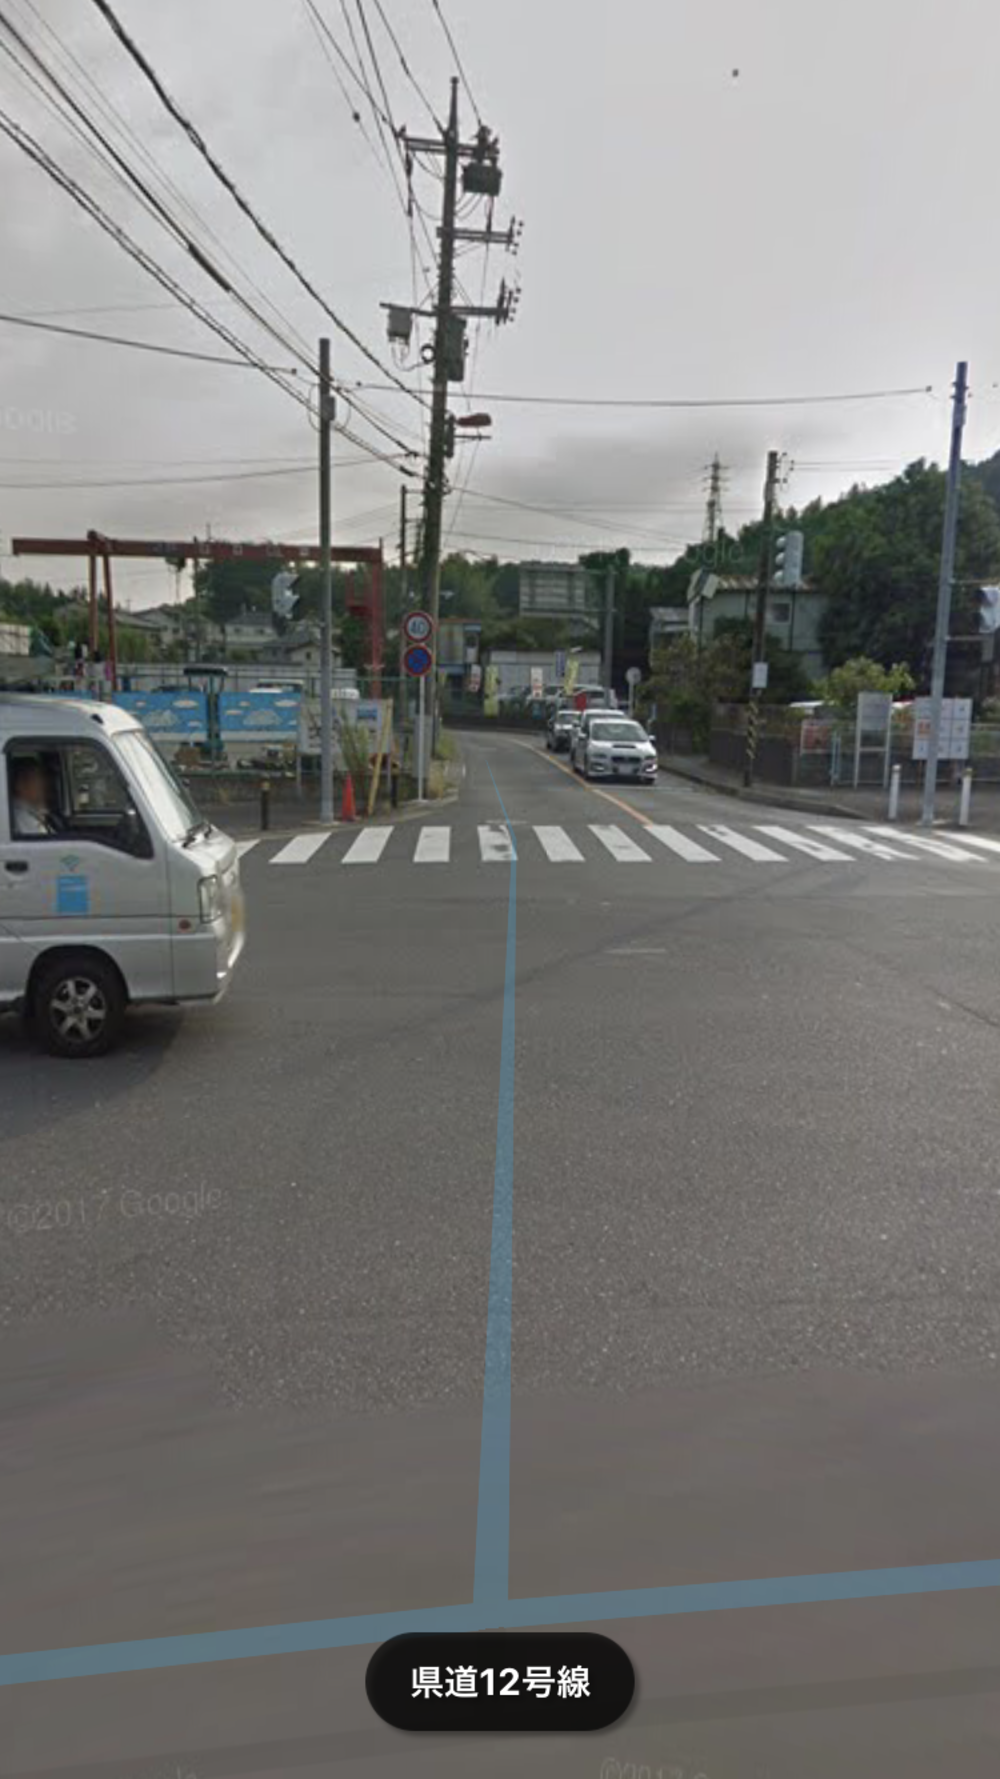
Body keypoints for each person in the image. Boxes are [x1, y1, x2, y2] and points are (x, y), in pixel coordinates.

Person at [10, 759, 55, 837]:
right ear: (20, 785)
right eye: (37, 778)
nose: (44, 783)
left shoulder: (33, 812)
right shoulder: (20, 817)